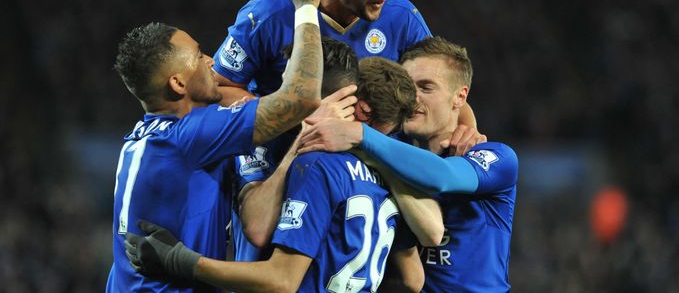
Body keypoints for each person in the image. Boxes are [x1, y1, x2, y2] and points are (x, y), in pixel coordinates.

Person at [106, 0, 327, 292]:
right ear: (177, 84)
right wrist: (306, 6)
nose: (211, 60)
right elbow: (302, 97)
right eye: (198, 56)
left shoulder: (142, 138)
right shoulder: (191, 135)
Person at [124, 57, 443, 292]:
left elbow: (280, 276)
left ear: (355, 108)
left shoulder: (316, 163)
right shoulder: (392, 173)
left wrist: (182, 261)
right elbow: (414, 279)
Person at [213, 0, 482, 155]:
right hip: (289, 159)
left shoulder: (401, 16)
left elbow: (444, 91)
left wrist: (466, 127)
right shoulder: (268, 15)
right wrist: (290, 112)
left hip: (378, 168)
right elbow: (220, 89)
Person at [298, 37, 519, 293]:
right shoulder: (378, 158)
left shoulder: (497, 158)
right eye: (408, 87)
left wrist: (361, 135)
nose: (412, 99)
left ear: (460, 96)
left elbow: (443, 176)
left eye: (426, 88)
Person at [230, 37, 360, 262]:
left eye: (287, 86)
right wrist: (306, 135)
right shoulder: (258, 136)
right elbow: (257, 228)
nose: (279, 94)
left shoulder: (365, 148)